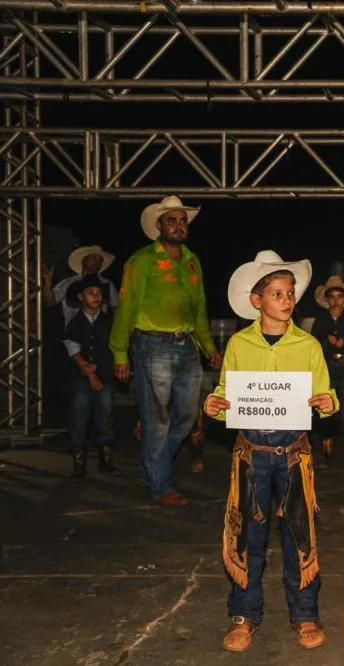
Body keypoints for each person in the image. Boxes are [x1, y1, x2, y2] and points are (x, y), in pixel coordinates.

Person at [203, 250, 337, 653]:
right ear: (257, 301)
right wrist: (214, 402)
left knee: (300, 536)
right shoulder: (240, 345)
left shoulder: (309, 345)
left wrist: (329, 403)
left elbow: (326, 391)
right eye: (277, 292)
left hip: (295, 453)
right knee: (248, 537)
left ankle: (306, 615)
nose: (287, 299)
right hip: (251, 454)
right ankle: (244, 616)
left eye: (290, 292)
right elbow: (226, 391)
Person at [110, 196, 221, 507]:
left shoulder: (191, 260)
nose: (178, 225)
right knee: (157, 420)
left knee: (186, 418)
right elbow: (126, 306)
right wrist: (120, 352)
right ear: (158, 226)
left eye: (182, 220)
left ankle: (150, 468)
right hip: (151, 344)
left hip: (186, 345)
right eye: (171, 220)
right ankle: (160, 485)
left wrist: (208, 346)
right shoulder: (142, 260)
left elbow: (199, 307)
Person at [63, 274, 119, 478]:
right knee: (79, 415)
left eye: (98, 293)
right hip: (81, 377)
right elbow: (72, 347)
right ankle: (79, 460)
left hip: (103, 374)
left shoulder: (108, 321)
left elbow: (111, 349)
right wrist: (87, 369)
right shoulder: (75, 322)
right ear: (80, 297)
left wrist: (96, 370)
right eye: (91, 293)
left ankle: (106, 458)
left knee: (105, 416)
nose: (96, 296)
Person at [310, 275, 344, 466]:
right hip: (327, 368)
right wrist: (326, 341)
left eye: (340, 296)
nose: (336, 301)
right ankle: (326, 443)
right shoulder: (321, 320)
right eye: (332, 297)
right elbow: (313, 345)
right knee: (326, 406)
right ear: (327, 299)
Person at [43, 245, 118, 325]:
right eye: (94, 257)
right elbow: (49, 302)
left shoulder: (107, 284)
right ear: (84, 260)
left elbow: (117, 309)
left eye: (100, 259)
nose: (98, 261)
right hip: (74, 334)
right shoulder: (69, 283)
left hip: (100, 334)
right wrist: (48, 281)